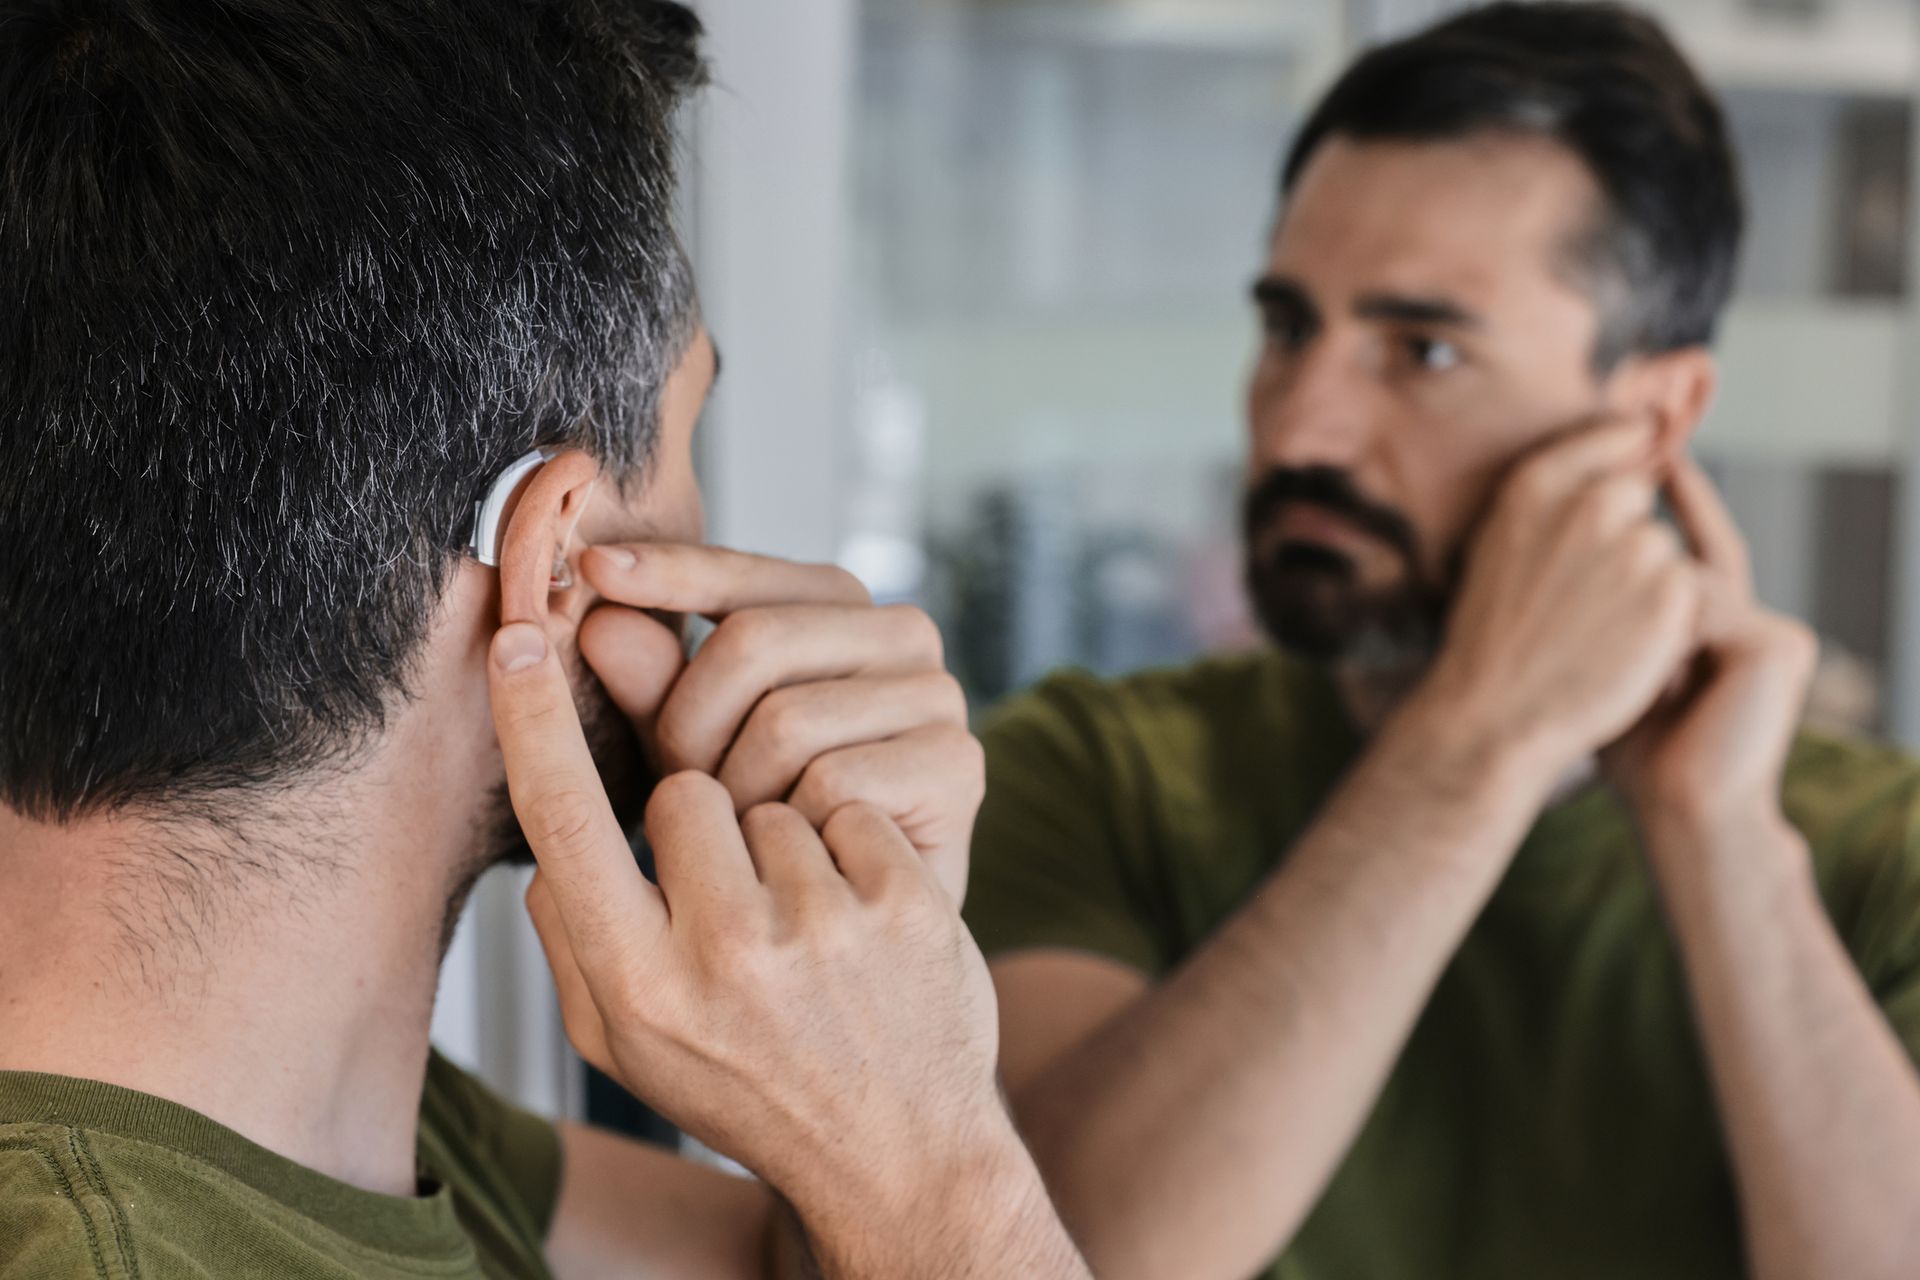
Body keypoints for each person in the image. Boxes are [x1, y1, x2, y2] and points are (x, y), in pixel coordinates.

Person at [0, 3, 1089, 1277]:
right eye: (687, 439)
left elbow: (799, 1258)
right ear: (553, 554)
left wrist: (885, 1030)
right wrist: (933, 1160)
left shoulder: (293, 1120)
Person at [964, 5, 1920, 1279]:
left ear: (1653, 416)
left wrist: (1721, 837)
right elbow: (1057, 1259)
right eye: (1289, 327)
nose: (1299, 426)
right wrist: (1478, 741)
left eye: (1423, 349)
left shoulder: (1886, 856)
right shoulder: (1093, 774)